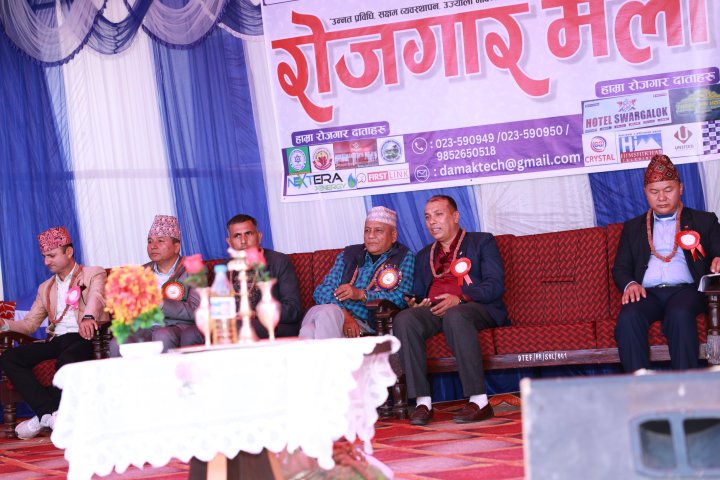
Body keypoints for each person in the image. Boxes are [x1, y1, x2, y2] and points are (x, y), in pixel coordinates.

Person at [393, 195, 508, 425]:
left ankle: (479, 401)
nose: (432, 222)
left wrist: (460, 298)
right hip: (436, 309)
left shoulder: (481, 242)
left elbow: (495, 285)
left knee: (456, 315)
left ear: (455, 216)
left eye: (438, 214)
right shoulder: (425, 255)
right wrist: (416, 303)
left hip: (474, 307)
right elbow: (418, 292)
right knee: (405, 319)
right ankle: (422, 403)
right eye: (427, 217)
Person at [612, 154, 720, 372]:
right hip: (647, 293)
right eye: (654, 192)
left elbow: (719, 251)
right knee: (628, 317)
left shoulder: (704, 220)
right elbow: (620, 267)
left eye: (668, 190)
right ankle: (640, 384)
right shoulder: (633, 227)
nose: (661, 197)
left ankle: (686, 384)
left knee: (679, 314)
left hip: (687, 291)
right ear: (646, 193)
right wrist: (630, 284)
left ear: (681, 188)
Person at [0, 227, 108, 439]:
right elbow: (30, 324)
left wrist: (88, 316)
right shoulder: (45, 287)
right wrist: (4, 324)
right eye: (44, 256)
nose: (46, 261)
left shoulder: (93, 273)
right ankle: (48, 414)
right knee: (10, 357)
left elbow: (96, 297)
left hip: (85, 336)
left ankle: (42, 417)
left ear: (69, 252)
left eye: (51, 255)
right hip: (57, 339)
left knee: (66, 360)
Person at [180, 214, 302, 345]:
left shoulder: (279, 261)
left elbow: (293, 309)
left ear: (259, 236)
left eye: (248, 233)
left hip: (271, 324)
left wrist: (255, 313)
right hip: (231, 322)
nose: (243, 240)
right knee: (189, 334)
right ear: (229, 242)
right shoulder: (223, 269)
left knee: (236, 329)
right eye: (237, 236)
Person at [299, 206, 414, 339]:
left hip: (364, 323)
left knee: (308, 330)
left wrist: (361, 294)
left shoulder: (403, 256)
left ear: (393, 236)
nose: (371, 236)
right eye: (367, 230)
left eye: (378, 231)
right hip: (335, 314)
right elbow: (322, 290)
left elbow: (400, 298)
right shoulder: (349, 254)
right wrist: (345, 315)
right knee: (327, 312)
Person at [109, 215, 200, 355]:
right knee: (118, 342)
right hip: (144, 327)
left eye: (160, 241)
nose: (153, 246)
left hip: (177, 327)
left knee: (162, 334)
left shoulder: (193, 270)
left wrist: (160, 303)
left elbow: (196, 311)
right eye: (150, 241)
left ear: (176, 247)